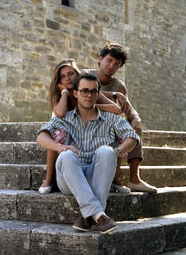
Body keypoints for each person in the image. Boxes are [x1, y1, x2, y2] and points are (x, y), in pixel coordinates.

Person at [36, 73, 140, 234]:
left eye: (93, 91)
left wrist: (117, 151)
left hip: (95, 176)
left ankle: (92, 216)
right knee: (66, 155)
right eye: (84, 91)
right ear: (76, 93)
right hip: (69, 178)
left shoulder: (110, 119)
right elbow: (41, 136)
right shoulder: (65, 118)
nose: (89, 95)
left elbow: (132, 136)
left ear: (98, 94)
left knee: (107, 151)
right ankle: (99, 214)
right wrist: (59, 147)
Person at [39, 59, 123, 194]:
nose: (67, 78)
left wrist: (89, 104)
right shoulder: (58, 94)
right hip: (67, 126)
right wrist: (65, 93)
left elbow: (117, 109)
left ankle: (115, 179)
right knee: (56, 134)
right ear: (59, 80)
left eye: (71, 74)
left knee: (118, 134)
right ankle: (48, 179)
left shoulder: (88, 90)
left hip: (89, 122)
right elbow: (60, 113)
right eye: (63, 76)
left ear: (77, 74)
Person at [83, 42, 157, 193]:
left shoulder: (119, 86)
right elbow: (86, 94)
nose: (111, 65)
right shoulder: (85, 75)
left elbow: (128, 109)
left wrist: (136, 118)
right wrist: (115, 95)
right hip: (86, 120)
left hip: (109, 124)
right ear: (101, 59)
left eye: (116, 64)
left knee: (134, 127)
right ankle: (113, 179)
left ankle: (134, 179)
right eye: (109, 60)